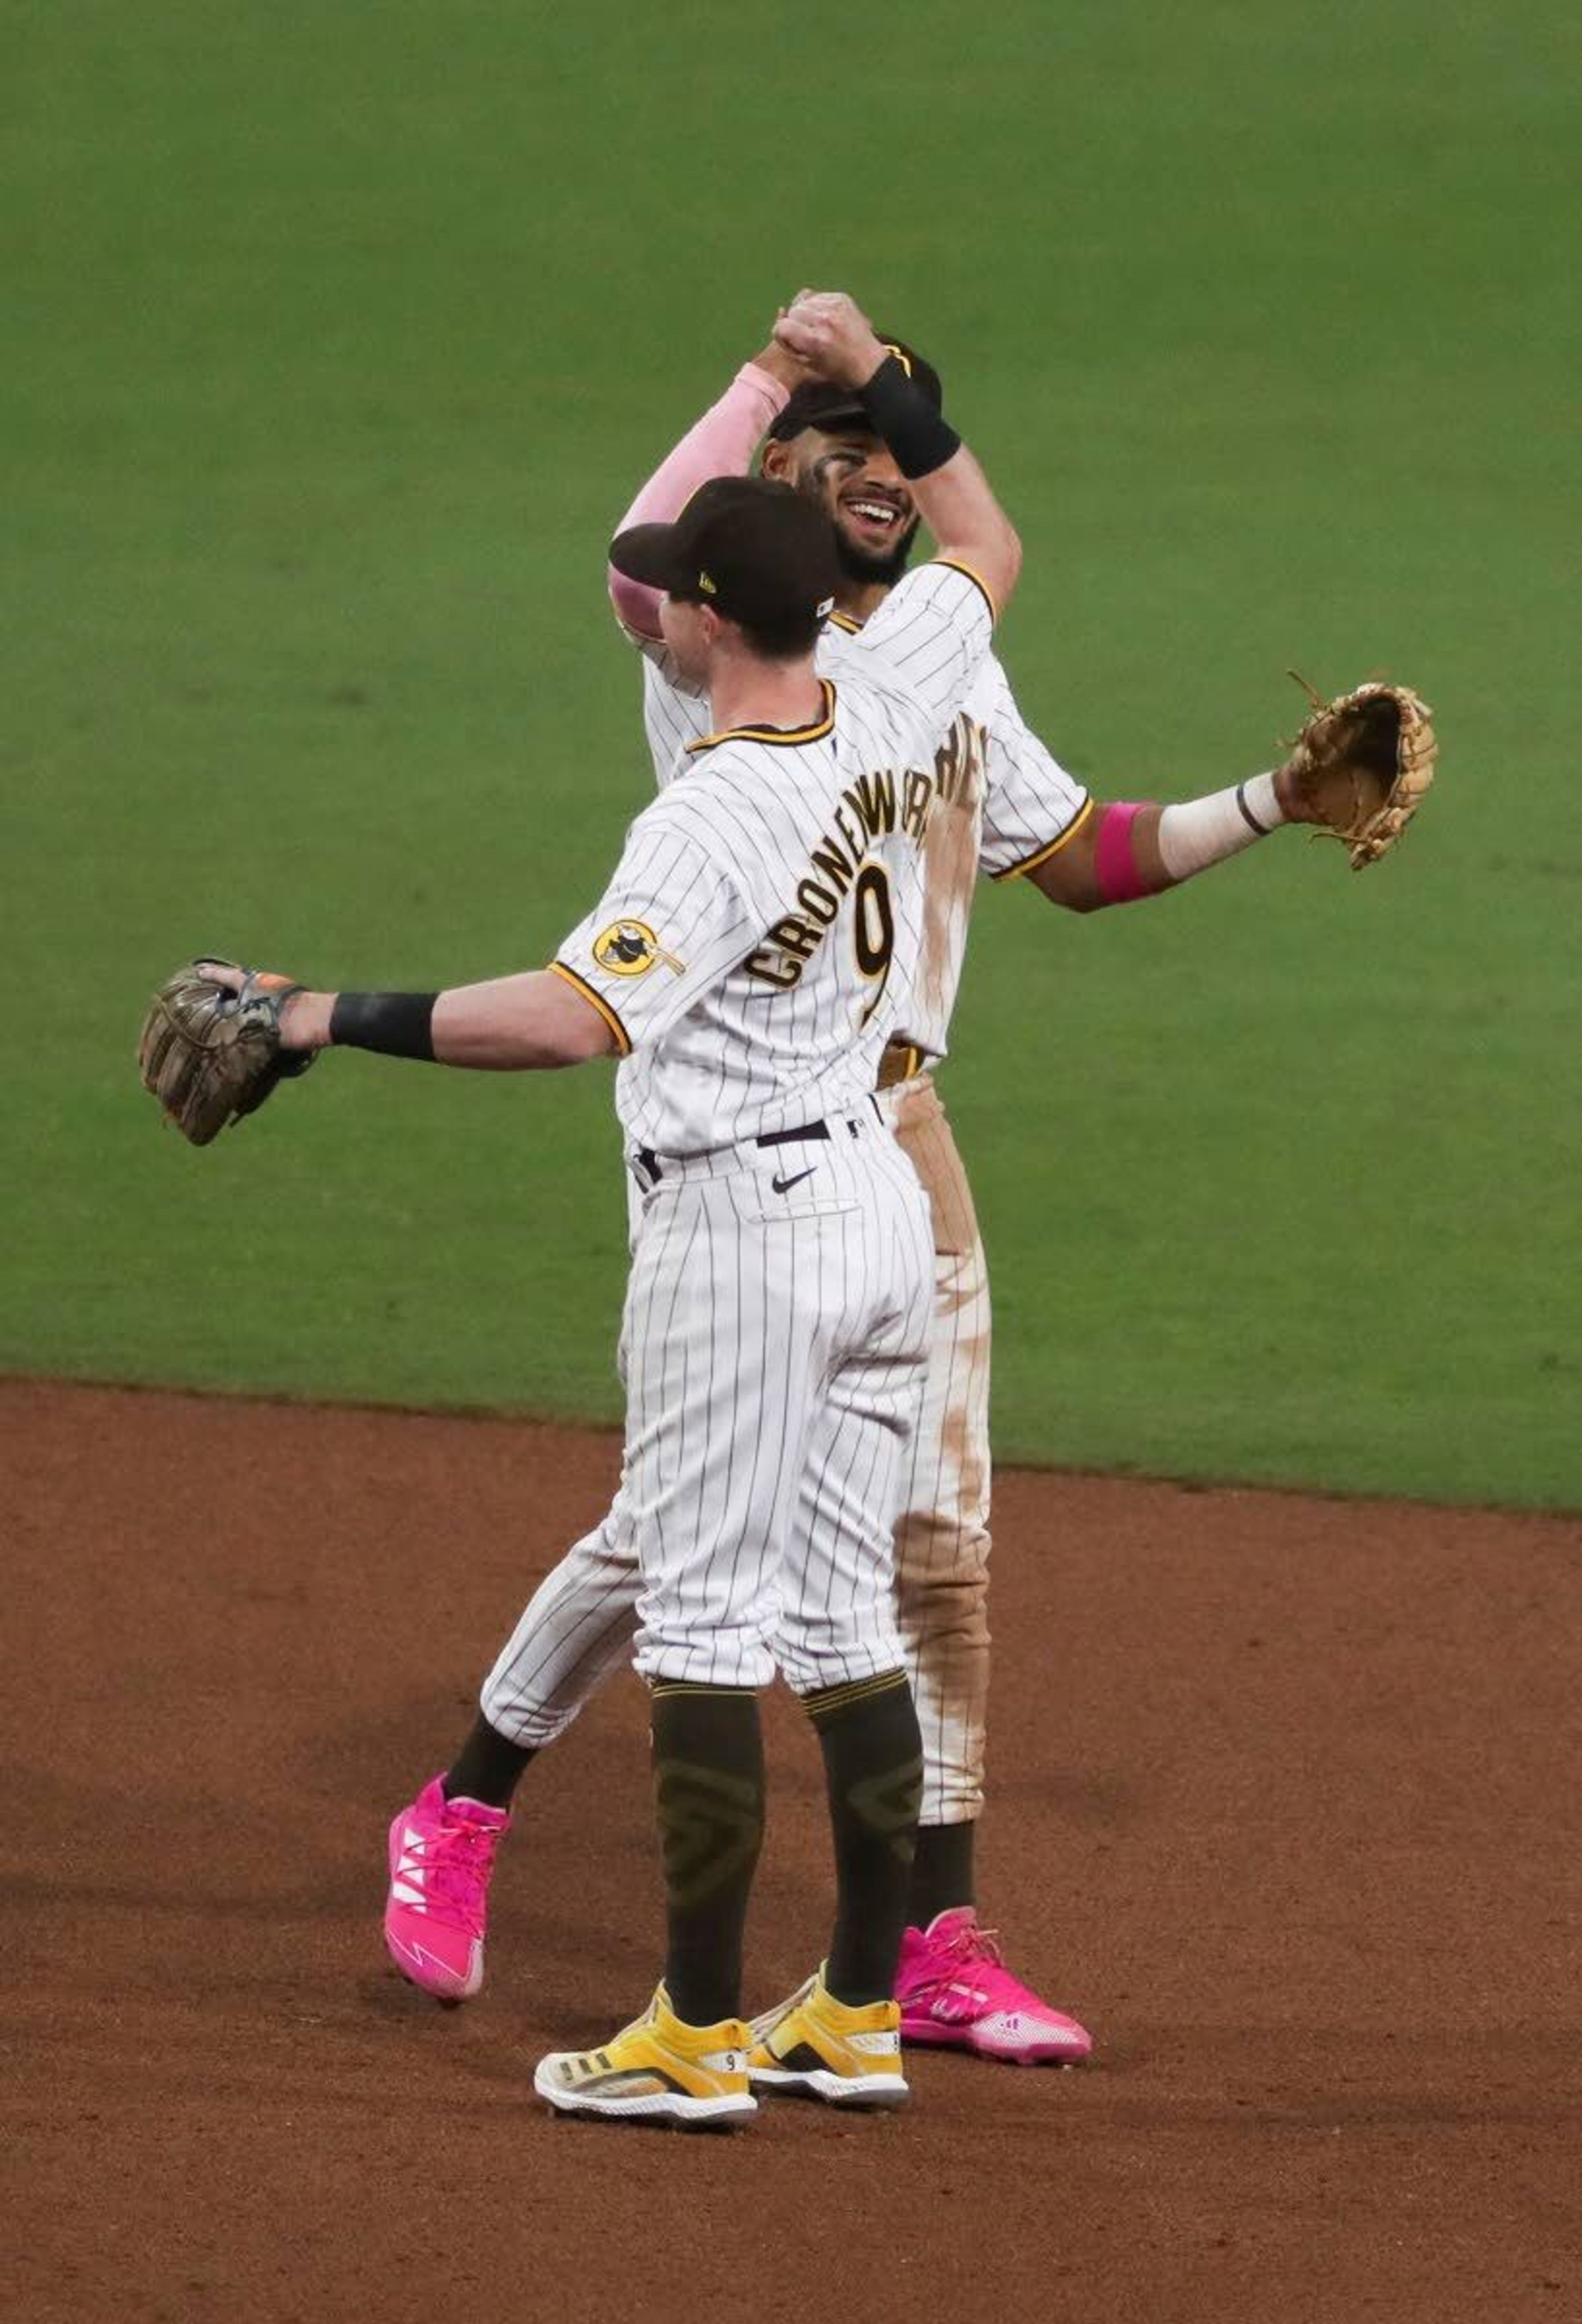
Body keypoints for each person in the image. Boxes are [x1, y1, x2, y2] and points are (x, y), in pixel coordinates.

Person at [385, 290, 1324, 2073]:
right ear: (784, 487)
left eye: (899, 450)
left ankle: (908, 1959)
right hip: (739, 1145)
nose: (880, 473)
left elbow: (1085, 852)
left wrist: (1271, 796)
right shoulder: (722, 657)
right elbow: (639, 561)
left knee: (934, 1554)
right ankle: (473, 1803)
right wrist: (784, 368)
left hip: (903, 1152)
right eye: (847, 453)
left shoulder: (939, 661)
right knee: (677, 1543)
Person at [259, 296, 1023, 2125]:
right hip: (878, 1214)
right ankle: (847, 2008)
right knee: (843, 1626)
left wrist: (319, 1018)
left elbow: (564, 1020)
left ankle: (687, 2030)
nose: (656, 602)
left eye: (671, 589)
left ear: (703, 618)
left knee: (699, 1621)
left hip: (744, 1233)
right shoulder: (893, 696)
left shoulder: (711, 815)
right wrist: (895, 401)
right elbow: (983, 540)